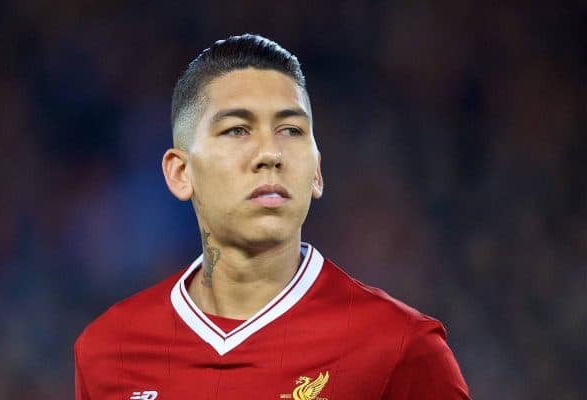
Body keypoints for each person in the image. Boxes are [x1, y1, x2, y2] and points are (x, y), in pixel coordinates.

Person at [74, 33, 471, 400]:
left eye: (291, 130)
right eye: (237, 130)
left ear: (316, 171)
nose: (270, 153)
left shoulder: (398, 347)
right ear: (181, 173)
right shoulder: (110, 351)